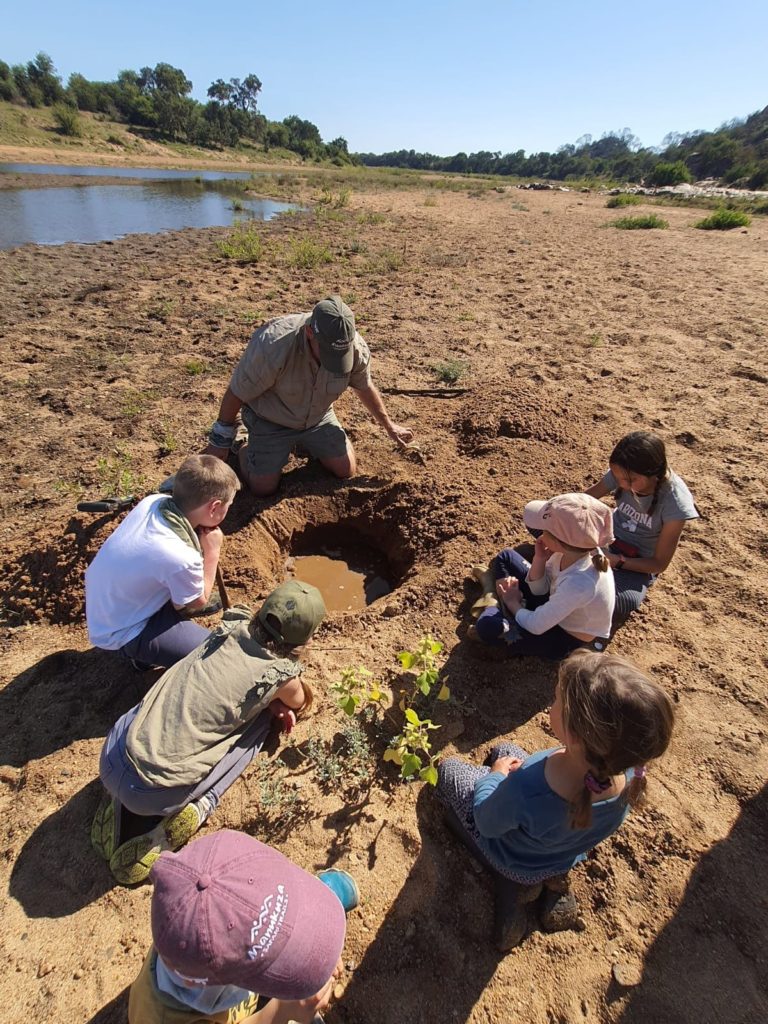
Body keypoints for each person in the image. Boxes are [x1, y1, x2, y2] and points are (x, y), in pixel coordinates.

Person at [435, 649, 675, 951]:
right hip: (561, 851)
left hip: (514, 856)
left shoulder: (529, 786)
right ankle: (554, 882)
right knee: (505, 748)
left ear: (575, 736)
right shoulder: (629, 779)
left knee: (448, 772)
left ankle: (510, 888)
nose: (553, 704)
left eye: (557, 701)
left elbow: (486, 819)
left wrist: (494, 777)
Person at [91, 580, 326, 885]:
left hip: (112, 755)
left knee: (165, 700)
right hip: (151, 793)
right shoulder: (280, 673)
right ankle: (200, 805)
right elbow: (301, 702)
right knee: (257, 725)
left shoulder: (229, 626)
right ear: (305, 638)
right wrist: (273, 703)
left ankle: (118, 800)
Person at [128, 829, 355, 1024]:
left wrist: (317, 944)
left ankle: (298, 919)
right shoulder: (161, 1018)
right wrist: (282, 1011)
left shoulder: (185, 936)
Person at [206, 295, 414, 495]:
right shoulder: (274, 344)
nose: (332, 360)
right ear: (309, 332)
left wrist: (389, 425)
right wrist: (220, 440)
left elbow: (364, 385)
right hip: (270, 419)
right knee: (263, 488)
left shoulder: (354, 347)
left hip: (317, 417)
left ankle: (305, 441)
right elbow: (237, 391)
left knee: (345, 470)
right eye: (327, 353)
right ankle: (243, 439)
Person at [85, 455, 239, 669]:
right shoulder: (181, 556)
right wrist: (212, 551)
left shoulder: (154, 502)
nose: (228, 510)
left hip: (108, 603)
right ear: (213, 507)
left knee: (178, 588)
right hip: (123, 628)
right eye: (228, 505)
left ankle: (153, 647)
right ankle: (139, 655)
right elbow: (198, 601)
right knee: (218, 658)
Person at [471, 493, 616, 659]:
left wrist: (513, 603)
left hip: (561, 635)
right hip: (554, 604)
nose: (539, 534)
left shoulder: (580, 583)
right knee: (506, 557)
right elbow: (541, 590)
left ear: (557, 541)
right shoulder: (575, 550)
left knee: (487, 627)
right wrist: (539, 559)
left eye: (543, 530)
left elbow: (536, 625)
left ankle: (492, 600)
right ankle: (502, 601)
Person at [584, 430, 699, 625]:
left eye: (629, 481)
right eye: (618, 478)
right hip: (606, 537)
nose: (622, 484)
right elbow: (585, 500)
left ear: (653, 474)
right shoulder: (624, 471)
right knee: (541, 517)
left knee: (621, 601)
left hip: (634, 562)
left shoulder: (675, 504)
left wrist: (617, 562)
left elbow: (658, 564)